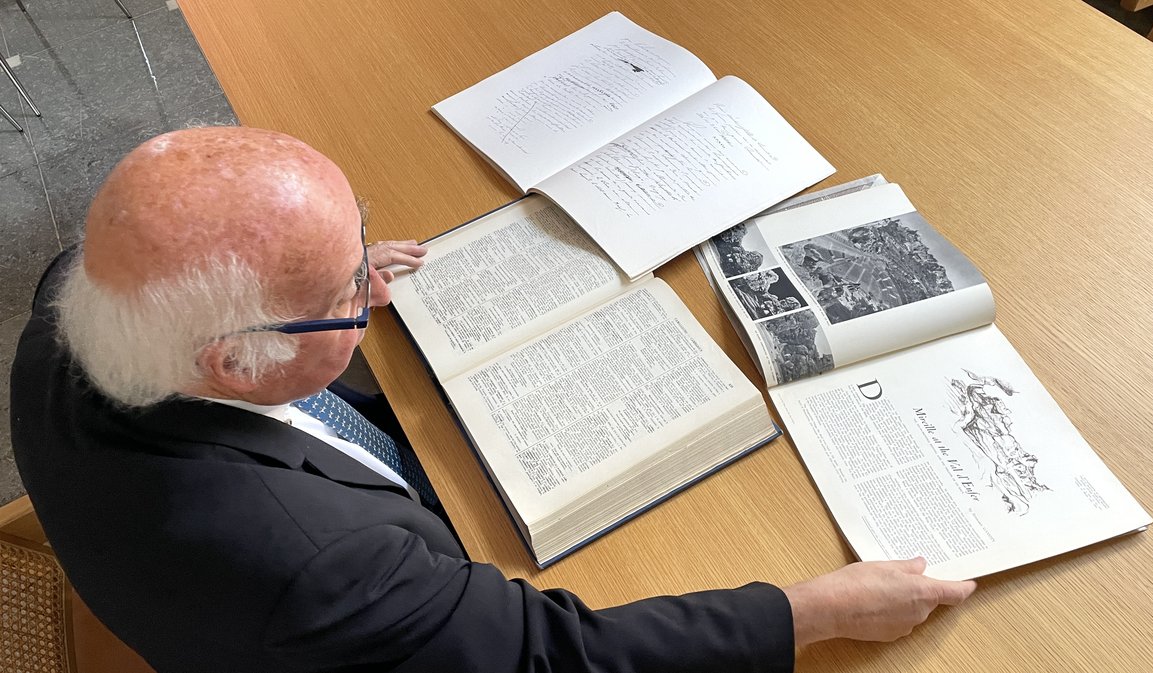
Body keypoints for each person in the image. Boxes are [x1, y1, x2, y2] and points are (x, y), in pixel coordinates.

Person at [10, 126, 975, 673]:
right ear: (234, 359)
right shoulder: (317, 566)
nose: (380, 290)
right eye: (352, 292)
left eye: (363, 251)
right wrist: (811, 611)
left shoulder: (83, 287)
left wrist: (322, 275)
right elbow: (553, 659)